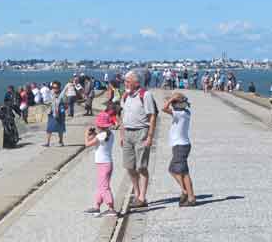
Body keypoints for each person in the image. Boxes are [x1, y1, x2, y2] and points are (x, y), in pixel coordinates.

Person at [120, 70, 158, 209]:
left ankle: (142, 197)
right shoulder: (125, 96)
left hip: (141, 131)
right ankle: (136, 193)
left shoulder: (145, 95)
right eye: (125, 81)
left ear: (137, 82)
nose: (125, 84)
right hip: (128, 133)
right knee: (129, 166)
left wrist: (150, 136)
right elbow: (123, 116)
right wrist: (122, 135)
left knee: (141, 166)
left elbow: (152, 116)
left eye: (128, 81)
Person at [162, 93, 195, 207]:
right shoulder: (186, 112)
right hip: (181, 145)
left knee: (182, 172)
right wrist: (172, 99)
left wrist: (171, 99)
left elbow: (164, 108)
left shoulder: (179, 114)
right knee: (175, 170)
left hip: (180, 146)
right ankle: (187, 193)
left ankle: (189, 196)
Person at [84, 112, 117, 216]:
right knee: (101, 185)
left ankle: (111, 208)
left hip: (103, 164)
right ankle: (97, 206)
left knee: (104, 187)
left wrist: (86, 134)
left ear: (99, 125)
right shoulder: (109, 134)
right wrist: (93, 134)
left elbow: (87, 143)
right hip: (106, 163)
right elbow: (97, 139)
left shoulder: (101, 135)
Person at [43, 81, 66, 147]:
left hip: (60, 114)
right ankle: (47, 142)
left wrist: (61, 106)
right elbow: (46, 101)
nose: (54, 89)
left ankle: (61, 141)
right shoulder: (50, 93)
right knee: (49, 128)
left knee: (60, 128)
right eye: (53, 87)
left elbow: (66, 104)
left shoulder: (62, 94)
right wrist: (49, 103)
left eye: (56, 87)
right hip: (51, 113)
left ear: (59, 87)